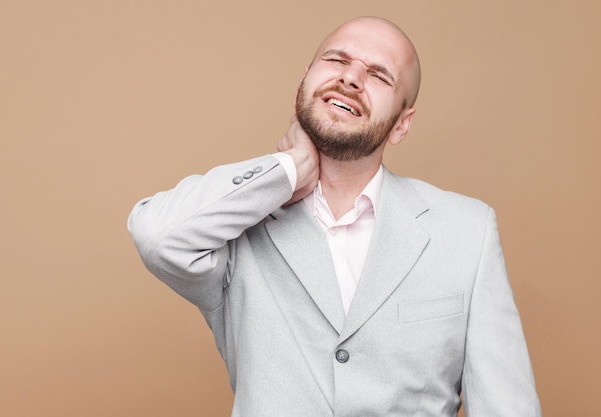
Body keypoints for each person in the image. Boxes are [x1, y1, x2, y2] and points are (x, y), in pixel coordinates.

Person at [128, 16, 541, 417]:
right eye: (337, 60)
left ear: (402, 124)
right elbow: (157, 235)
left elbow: (508, 407)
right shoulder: (238, 227)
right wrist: (288, 169)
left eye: (379, 76)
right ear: (302, 85)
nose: (351, 78)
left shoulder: (468, 231)